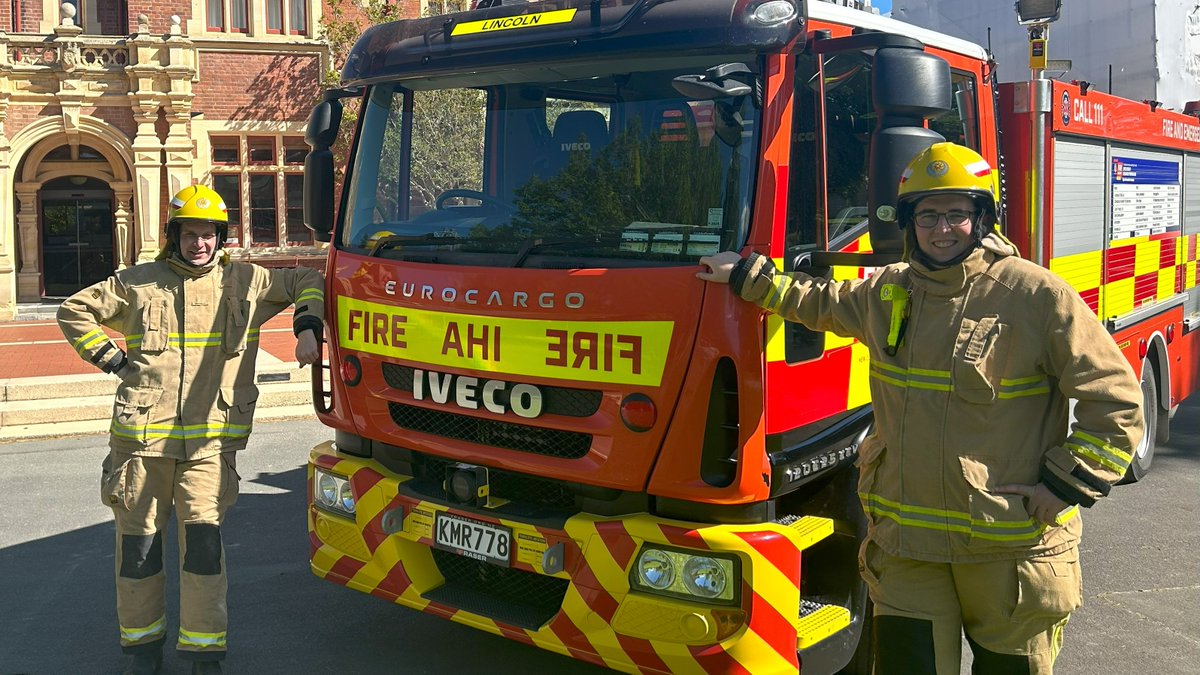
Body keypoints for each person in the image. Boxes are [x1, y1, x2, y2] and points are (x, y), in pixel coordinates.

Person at [697, 142, 1143, 674]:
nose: (942, 228)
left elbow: (1116, 399)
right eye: (928, 214)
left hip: (1008, 550)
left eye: (958, 213)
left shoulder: (1033, 295)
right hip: (908, 551)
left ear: (981, 219)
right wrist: (748, 276)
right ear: (909, 223)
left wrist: (1065, 485)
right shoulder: (888, 292)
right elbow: (819, 301)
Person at [57, 185, 325, 675]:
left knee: (204, 548)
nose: (199, 243)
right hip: (141, 444)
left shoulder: (249, 281)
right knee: (138, 549)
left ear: (220, 237)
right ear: (173, 236)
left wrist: (307, 327)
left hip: (208, 444)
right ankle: (142, 650)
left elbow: (310, 278)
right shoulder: (138, 283)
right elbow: (73, 310)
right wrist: (112, 358)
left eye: (209, 234)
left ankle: (205, 653)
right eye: (189, 234)